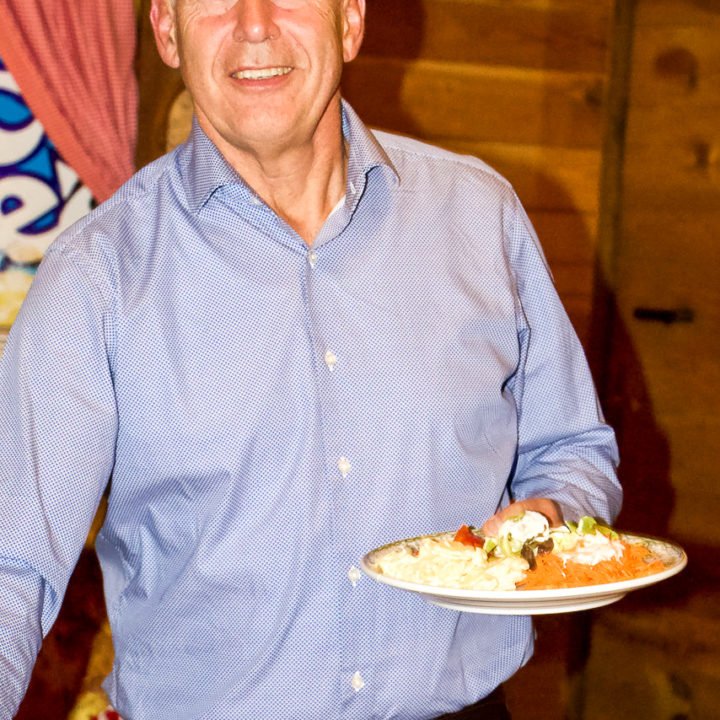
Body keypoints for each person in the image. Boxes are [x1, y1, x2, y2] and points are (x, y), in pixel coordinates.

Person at [0, 0, 622, 718]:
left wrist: (551, 515)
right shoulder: (96, 276)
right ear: (167, 32)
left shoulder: (481, 217)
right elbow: (12, 566)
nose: (254, 24)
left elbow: (573, 449)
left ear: (350, 20)